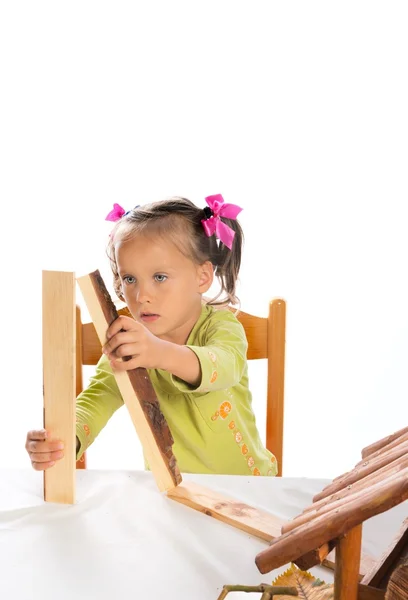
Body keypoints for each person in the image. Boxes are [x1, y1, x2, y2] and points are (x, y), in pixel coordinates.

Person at [25, 195, 278, 476]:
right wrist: (62, 440)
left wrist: (158, 353)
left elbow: (225, 366)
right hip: (171, 490)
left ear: (202, 276)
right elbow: (97, 399)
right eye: (129, 279)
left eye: (160, 277)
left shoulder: (220, 326)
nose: (142, 296)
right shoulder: (127, 343)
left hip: (246, 486)